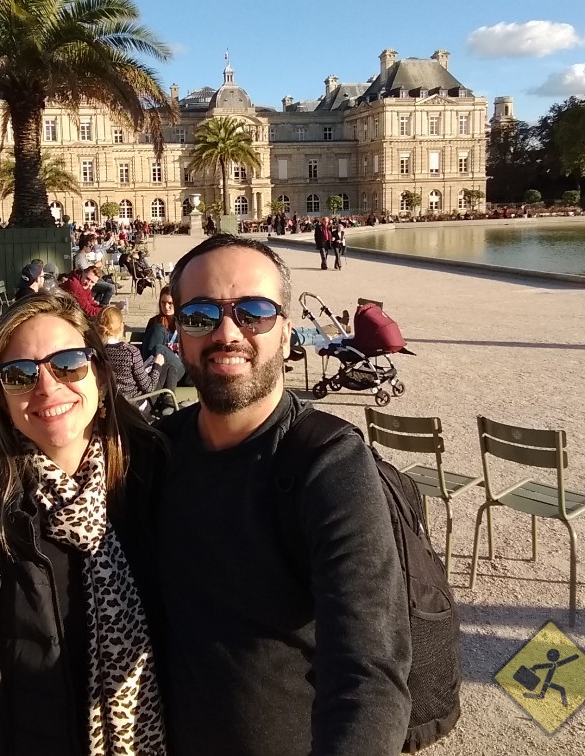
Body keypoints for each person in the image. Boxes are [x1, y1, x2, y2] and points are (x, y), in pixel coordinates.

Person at [154, 234, 410, 756]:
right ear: (176, 331)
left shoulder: (328, 465)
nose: (228, 332)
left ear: (287, 332)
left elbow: (368, 674)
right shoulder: (157, 452)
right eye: (201, 314)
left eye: (254, 311)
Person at [0, 292, 167, 755]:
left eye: (68, 364)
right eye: (20, 375)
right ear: (0, 400)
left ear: (100, 372)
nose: (47, 388)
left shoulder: (158, 481)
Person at [98, 305, 162, 415]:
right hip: (136, 407)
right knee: (165, 367)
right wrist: (157, 366)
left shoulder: (97, 352)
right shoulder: (130, 352)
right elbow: (149, 387)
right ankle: (168, 405)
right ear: (122, 326)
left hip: (110, 406)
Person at [141, 286, 185, 391]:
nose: (166, 306)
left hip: (178, 368)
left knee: (160, 349)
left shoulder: (183, 323)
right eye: (163, 302)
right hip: (159, 369)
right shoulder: (154, 322)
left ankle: (147, 378)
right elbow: (146, 351)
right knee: (158, 329)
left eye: (170, 303)